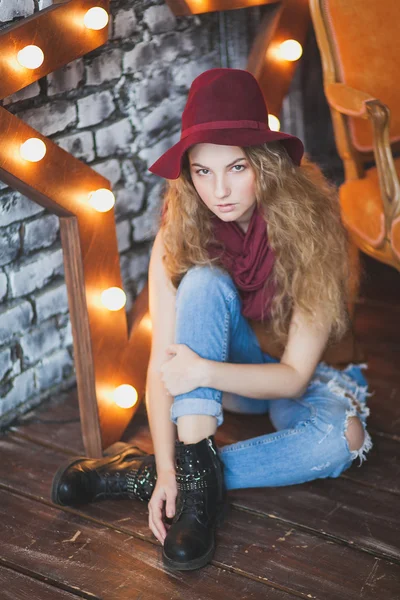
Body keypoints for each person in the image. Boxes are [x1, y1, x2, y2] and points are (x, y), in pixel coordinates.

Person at [51, 68, 373, 572]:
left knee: (343, 439)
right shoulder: (179, 233)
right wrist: (166, 467)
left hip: (297, 379)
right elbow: (164, 363)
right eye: (202, 171)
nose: (219, 189)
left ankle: (139, 476)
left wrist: (200, 379)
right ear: (189, 175)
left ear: (264, 164)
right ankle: (194, 483)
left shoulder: (313, 226)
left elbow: (293, 377)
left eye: (237, 167)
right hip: (230, 378)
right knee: (203, 280)